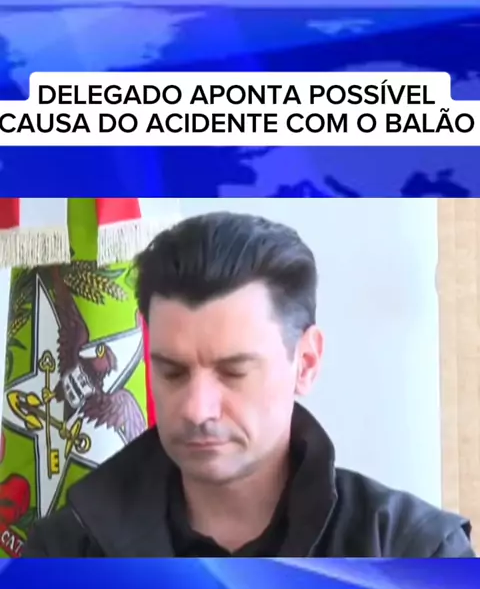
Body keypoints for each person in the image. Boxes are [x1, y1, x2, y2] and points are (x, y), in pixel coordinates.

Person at [23, 211, 475, 558]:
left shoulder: (414, 552)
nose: (197, 409)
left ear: (306, 363)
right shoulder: (63, 554)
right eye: (173, 371)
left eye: (234, 372)